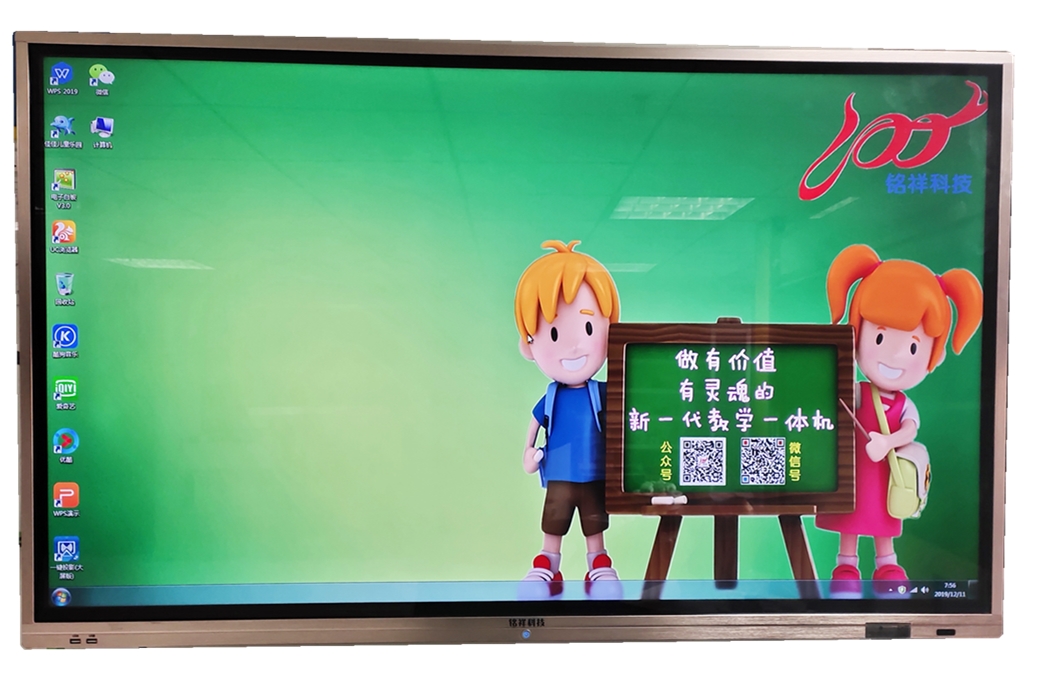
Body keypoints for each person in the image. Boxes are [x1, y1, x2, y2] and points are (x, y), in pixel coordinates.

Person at [815, 244, 982, 590]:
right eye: (879, 336)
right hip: (854, 471)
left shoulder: (904, 403)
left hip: (885, 473)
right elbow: (836, 403)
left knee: (883, 515)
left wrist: (888, 442)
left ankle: (887, 565)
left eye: (913, 346)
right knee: (850, 514)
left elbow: (910, 429)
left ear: (934, 354)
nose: (894, 355)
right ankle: (846, 567)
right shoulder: (857, 390)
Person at [514, 240, 621, 592]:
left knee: (594, 522)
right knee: (554, 521)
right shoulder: (551, 396)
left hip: (593, 474)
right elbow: (535, 426)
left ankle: (598, 564)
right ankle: (548, 563)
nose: (574, 346)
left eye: (589, 328)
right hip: (558, 473)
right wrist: (528, 453)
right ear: (528, 346)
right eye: (554, 332)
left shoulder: (600, 392)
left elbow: (625, 418)